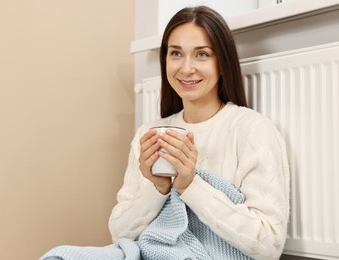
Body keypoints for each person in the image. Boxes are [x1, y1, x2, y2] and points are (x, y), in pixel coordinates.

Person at [42, 5, 289, 260]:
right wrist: (157, 188)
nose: (186, 68)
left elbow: (268, 245)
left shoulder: (251, 130)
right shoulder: (148, 134)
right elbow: (120, 234)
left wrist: (191, 186)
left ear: (223, 63)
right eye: (176, 54)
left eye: (202, 54)